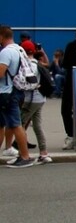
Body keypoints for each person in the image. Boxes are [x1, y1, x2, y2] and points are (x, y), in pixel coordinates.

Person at [0, 26, 35, 168]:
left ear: (1, 36)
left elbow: (1, 73)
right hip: (16, 91)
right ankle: (23, 155)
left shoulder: (6, 52)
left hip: (6, 92)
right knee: (4, 123)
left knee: (15, 124)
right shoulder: (18, 49)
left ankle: (25, 156)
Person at [15, 40, 51, 164]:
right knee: (37, 126)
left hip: (30, 99)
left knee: (20, 126)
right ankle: (43, 153)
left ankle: (23, 155)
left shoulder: (26, 65)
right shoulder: (39, 64)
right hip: (40, 98)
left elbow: (24, 83)